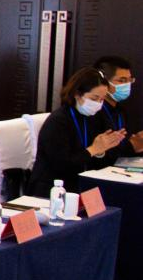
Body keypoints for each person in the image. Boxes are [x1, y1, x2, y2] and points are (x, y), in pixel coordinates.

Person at [28, 67, 130, 196]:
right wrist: (93, 150)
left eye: (102, 99)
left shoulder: (94, 117)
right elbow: (61, 165)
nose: (98, 104)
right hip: (51, 188)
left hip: (82, 184)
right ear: (77, 94)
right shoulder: (59, 121)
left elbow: (97, 163)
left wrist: (101, 151)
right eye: (94, 98)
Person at [94, 55, 143, 158]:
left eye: (130, 80)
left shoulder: (121, 110)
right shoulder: (93, 111)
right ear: (103, 81)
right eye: (122, 80)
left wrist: (138, 142)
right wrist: (132, 145)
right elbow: (96, 153)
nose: (127, 85)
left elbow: (124, 145)